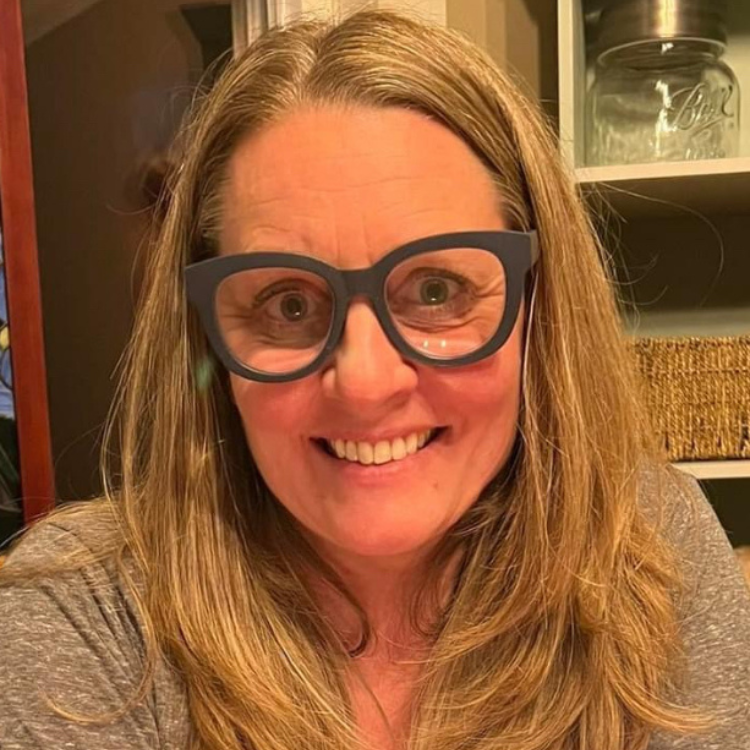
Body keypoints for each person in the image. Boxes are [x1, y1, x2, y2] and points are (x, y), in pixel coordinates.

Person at [1, 9, 749, 750]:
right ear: (207, 336)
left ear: (540, 304)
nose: (363, 383)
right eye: (287, 304)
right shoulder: (85, 617)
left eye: (436, 291)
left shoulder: (651, 543)